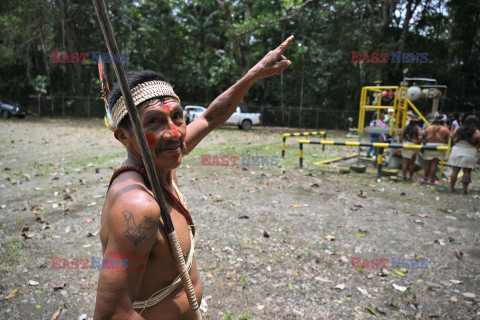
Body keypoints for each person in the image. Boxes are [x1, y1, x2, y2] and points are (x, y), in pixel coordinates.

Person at [93, 36, 294, 320]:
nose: (175, 133)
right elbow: (112, 315)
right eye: (154, 121)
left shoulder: (162, 159)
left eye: (177, 117)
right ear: (123, 136)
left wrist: (254, 73)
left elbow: (212, 117)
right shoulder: (137, 207)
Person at [447, 115, 480, 194]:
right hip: (470, 152)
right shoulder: (477, 133)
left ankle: (451, 188)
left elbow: (451, 137)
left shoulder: (458, 129)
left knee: (455, 171)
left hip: (457, 149)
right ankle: (464, 190)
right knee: (467, 171)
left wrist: (452, 146)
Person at [421, 114, 450, 184]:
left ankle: (425, 178)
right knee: (434, 164)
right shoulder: (445, 130)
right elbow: (449, 140)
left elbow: (423, 137)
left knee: (427, 163)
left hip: (428, 146)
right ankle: (431, 180)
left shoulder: (428, 128)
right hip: (439, 147)